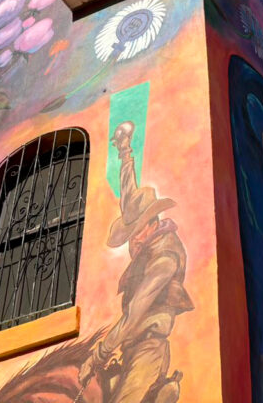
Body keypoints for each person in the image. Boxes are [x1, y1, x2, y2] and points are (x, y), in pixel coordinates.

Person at [79, 122, 193, 403]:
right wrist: (125, 152)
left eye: (137, 231)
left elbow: (135, 311)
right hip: (129, 351)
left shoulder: (165, 258)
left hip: (148, 353)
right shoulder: (146, 241)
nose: (133, 240)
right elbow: (128, 196)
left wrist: (99, 354)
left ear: (153, 223)